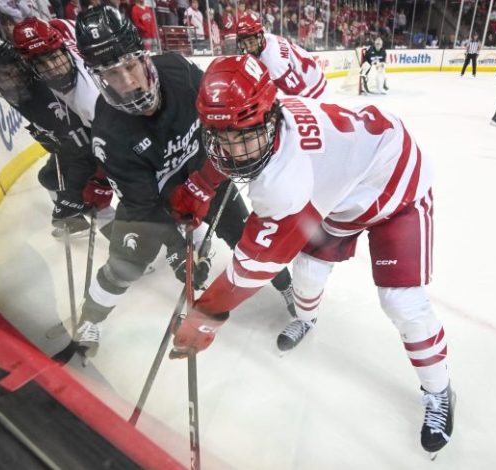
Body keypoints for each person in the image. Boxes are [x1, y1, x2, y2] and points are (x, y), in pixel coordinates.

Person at [168, 55, 455, 454]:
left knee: (402, 302)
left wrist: (207, 314)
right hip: (342, 189)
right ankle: (306, 319)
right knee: (306, 274)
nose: (234, 152)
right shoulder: (268, 114)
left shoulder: (287, 181)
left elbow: (253, 266)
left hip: (396, 188)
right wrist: (202, 183)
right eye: (221, 137)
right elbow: (237, 141)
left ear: (270, 118)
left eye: (244, 136)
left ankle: (439, 390)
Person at [70, 6, 295, 358]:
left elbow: (217, 117)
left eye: (130, 66)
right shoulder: (109, 133)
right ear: (99, 77)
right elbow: (146, 207)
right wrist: (178, 249)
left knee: (247, 237)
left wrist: (213, 175)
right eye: (112, 73)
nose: (127, 82)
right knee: (125, 264)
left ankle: (287, 286)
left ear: (143, 57)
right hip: (154, 201)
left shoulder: (177, 70)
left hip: (204, 175)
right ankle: (90, 318)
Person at [0, 32, 113, 238]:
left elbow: (84, 151)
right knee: (49, 177)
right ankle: (74, 223)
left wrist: (75, 194)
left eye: (7, 72)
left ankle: (129, 252)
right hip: (72, 146)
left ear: (18, 64)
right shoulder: (16, 89)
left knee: (92, 200)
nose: (5, 80)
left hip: (94, 148)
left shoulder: (43, 91)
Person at [12, 17, 98, 129]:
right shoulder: (61, 27)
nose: (51, 68)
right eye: (40, 63)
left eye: (54, 58)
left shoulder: (88, 99)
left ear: (65, 51)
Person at [236, 12, 328, 98]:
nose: (248, 48)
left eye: (251, 42)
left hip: (313, 88)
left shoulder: (272, 61)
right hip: (309, 72)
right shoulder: (268, 38)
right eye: (244, 43)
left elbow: (301, 94)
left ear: (259, 37)